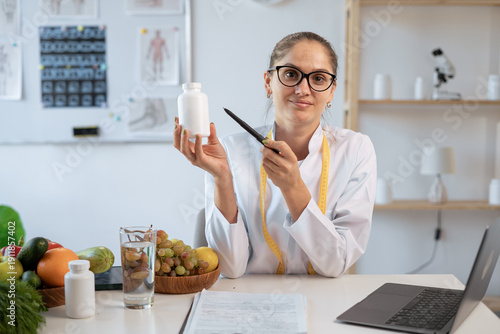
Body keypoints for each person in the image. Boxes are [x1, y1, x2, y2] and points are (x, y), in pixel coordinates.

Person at [173, 32, 376, 278]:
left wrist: (293, 187)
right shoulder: (228, 152)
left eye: (319, 78)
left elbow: (335, 264)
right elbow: (230, 269)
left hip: (326, 302)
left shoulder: (355, 150)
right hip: (249, 302)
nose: (303, 89)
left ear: (331, 91)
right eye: (291, 74)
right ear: (269, 82)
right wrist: (222, 178)